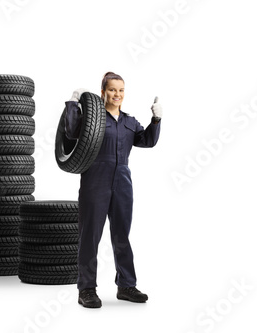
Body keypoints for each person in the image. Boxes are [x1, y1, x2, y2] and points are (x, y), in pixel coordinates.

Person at [64, 72, 162, 308]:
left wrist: (156, 120)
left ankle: (126, 286)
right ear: (103, 92)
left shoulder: (129, 121)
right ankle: (86, 289)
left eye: (121, 90)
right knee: (90, 237)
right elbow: (70, 132)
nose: (117, 95)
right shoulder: (92, 119)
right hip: (95, 180)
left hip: (122, 182)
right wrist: (72, 105)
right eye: (112, 90)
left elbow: (146, 141)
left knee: (121, 236)